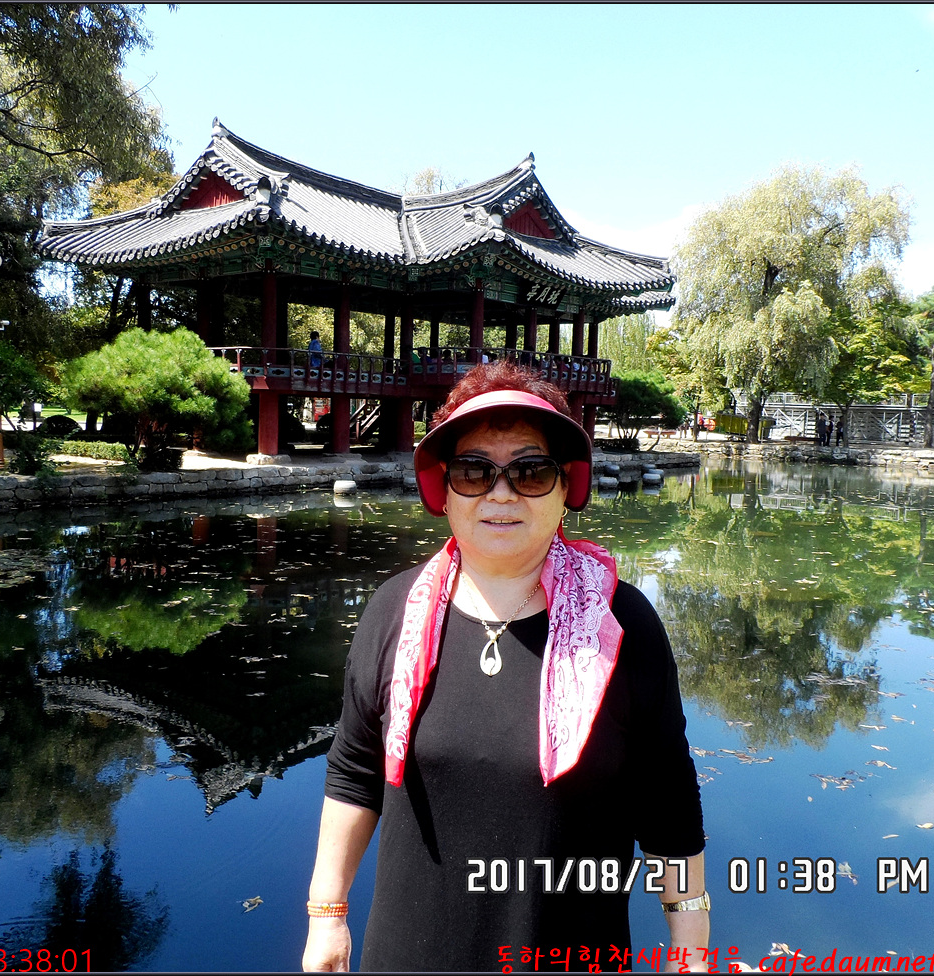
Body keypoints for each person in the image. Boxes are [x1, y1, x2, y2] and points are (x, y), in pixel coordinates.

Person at [302, 360, 707, 973]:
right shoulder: (393, 611)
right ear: (444, 489)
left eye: (530, 471)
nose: (500, 494)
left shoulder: (622, 624)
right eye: (474, 471)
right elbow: (355, 772)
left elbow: (667, 800)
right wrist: (327, 914)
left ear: (566, 487)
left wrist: (691, 944)